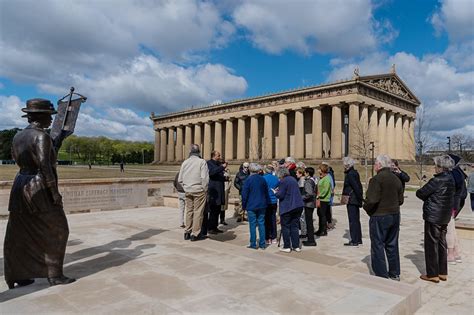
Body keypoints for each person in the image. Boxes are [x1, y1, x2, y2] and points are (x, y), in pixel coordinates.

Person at [4, 98, 75, 289]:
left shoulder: (18, 136)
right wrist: (54, 193)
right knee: (59, 229)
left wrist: (54, 144)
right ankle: (54, 274)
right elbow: (45, 166)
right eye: (49, 116)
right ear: (40, 116)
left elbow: (18, 158)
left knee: (21, 231)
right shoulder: (41, 137)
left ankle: (18, 274)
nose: (51, 121)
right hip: (38, 186)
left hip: (20, 184)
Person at [363, 154, 404, 281]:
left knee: (378, 245)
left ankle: (381, 274)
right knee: (392, 244)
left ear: (379, 165)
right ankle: (394, 272)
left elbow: (371, 200)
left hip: (380, 216)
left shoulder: (376, 179)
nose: (374, 165)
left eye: (375, 163)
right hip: (395, 215)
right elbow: (400, 200)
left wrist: (367, 209)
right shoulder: (396, 178)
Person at [416, 155, 455, 283]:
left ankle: (432, 274)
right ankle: (442, 272)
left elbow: (421, 193)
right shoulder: (451, 178)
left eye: (436, 165)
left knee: (431, 244)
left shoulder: (437, 180)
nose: (434, 167)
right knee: (442, 243)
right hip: (444, 216)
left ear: (441, 167)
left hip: (434, 216)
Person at [178, 144, 209, 241]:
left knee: (189, 211)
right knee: (198, 212)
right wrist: (205, 189)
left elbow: (180, 179)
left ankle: (187, 231)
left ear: (190, 152)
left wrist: (186, 187)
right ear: (199, 152)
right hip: (198, 190)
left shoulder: (185, 162)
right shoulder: (201, 162)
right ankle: (195, 234)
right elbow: (204, 178)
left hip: (188, 190)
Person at [241, 163, 270, 249]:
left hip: (251, 205)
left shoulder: (248, 180)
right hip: (262, 204)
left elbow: (244, 194)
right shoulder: (262, 179)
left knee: (252, 225)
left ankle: (253, 244)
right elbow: (266, 192)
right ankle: (262, 244)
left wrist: (244, 206)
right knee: (261, 224)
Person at [275, 167, 304, 252]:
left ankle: (287, 246)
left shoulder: (283, 181)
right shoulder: (293, 179)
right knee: (294, 226)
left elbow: (280, 195)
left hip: (288, 207)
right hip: (298, 206)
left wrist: (275, 193)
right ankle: (296, 246)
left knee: (286, 227)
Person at [446, 154, 467, 263]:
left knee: (449, 228)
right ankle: (457, 252)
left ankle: (451, 254)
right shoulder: (458, 173)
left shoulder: (454, 174)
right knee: (452, 228)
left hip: (452, 204)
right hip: (456, 203)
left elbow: (456, 192)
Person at [342, 157, 364, 246]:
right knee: (356, 220)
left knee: (353, 220)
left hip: (352, 199)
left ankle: (354, 240)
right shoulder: (354, 173)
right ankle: (358, 239)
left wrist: (360, 199)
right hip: (354, 199)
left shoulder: (350, 174)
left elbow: (356, 187)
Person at [206, 151, 227, 234]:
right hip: (214, 191)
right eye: (218, 155)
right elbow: (211, 173)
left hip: (220, 190)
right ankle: (210, 228)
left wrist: (225, 178)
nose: (219, 157)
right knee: (213, 210)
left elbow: (218, 175)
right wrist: (222, 167)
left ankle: (215, 227)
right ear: (213, 156)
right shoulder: (209, 163)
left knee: (217, 210)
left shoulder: (218, 164)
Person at [263, 165, 279, 245]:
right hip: (274, 201)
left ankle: (267, 238)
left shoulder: (264, 178)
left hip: (266, 201)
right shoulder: (276, 178)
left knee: (266, 220)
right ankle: (274, 237)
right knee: (273, 219)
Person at [302, 167, 317, 247]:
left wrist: (302, 197)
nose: (304, 174)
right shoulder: (312, 180)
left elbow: (309, 193)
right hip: (311, 203)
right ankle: (310, 238)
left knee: (309, 222)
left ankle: (311, 240)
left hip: (308, 204)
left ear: (307, 173)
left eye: (305, 172)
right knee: (309, 221)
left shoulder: (308, 182)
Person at [315, 164, 332, 237]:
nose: (318, 170)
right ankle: (320, 229)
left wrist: (319, 195)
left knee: (323, 215)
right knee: (319, 214)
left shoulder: (327, 178)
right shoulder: (322, 177)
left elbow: (326, 189)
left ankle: (323, 230)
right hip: (320, 199)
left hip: (324, 199)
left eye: (319, 169)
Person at [296, 167, 307, 238]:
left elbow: (301, 192)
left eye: (297, 173)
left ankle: (303, 233)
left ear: (300, 173)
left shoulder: (302, 181)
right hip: (302, 201)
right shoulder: (301, 180)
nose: (296, 174)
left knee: (302, 217)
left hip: (302, 201)